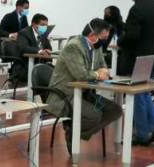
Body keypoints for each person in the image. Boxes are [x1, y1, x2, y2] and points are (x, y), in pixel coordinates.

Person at [46, 19, 123, 155]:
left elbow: (103, 66)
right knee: (95, 115)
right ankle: (74, 130)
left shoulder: (96, 47)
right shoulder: (73, 47)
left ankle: (73, 131)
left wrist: (104, 71)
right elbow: (81, 74)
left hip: (85, 94)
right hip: (66, 95)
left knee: (115, 110)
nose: (105, 41)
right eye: (104, 37)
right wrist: (98, 74)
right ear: (93, 35)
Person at [117, 0, 154, 145]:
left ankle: (142, 134)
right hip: (153, 56)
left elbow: (132, 35)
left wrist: (120, 41)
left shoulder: (136, 8)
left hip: (138, 57)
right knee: (144, 93)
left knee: (137, 95)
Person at [16, 13, 53, 83]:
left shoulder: (43, 34)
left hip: (41, 65)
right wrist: (39, 51)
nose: (45, 27)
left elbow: (49, 48)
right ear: (34, 24)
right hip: (26, 66)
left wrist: (48, 51)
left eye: (46, 25)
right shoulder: (24, 33)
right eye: (42, 25)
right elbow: (24, 48)